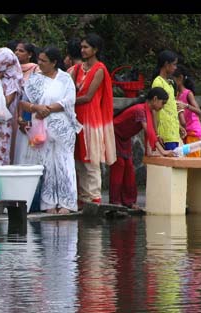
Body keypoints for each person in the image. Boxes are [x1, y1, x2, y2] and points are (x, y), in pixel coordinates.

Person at [19, 46, 82, 214]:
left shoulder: (65, 78)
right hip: (41, 126)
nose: (39, 64)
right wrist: (35, 107)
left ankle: (67, 203)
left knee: (64, 163)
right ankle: (48, 203)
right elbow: (23, 101)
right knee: (46, 163)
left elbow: (69, 100)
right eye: (39, 60)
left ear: (54, 63)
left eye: (43, 61)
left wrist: (47, 109)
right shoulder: (34, 79)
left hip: (62, 127)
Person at [71, 34, 116, 206]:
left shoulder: (99, 69)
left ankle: (95, 197)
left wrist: (67, 101)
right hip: (77, 118)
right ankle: (83, 198)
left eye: (86, 47)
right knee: (79, 160)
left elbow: (88, 96)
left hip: (91, 119)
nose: (82, 50)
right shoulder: (77, 69)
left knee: (91, 159)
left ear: (95, 50)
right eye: (81, 47)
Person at [111, 87, 173, 208]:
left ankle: (129, 202)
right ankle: (115, 202)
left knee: (129, 167)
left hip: (124, 138)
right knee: (119, 165)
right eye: (162, 103)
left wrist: (149, 152)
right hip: (114, 134)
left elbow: (148, 134)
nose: (162, 106)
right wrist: (163, 151)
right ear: (155, 99)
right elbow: (149, 131)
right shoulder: (140, 109)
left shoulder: (148, 111)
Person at [12, 41, 41, 165]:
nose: (17, 53)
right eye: (16, 50)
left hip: (27, 111)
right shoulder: (11, 69)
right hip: (12, 109)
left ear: (29, 55)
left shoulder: (36, 69)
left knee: (25, 146)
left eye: (21, 51)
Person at [151, 50, 183, 153]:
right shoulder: (158, 82)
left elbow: (170, 107)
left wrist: (178, 126)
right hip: (165, 133)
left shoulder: (169, 83)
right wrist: (157, 134)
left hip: (173, 132)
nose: (175, 67)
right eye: (174, 64)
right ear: (166, 64)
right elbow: (154, 110)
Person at [173, 64, 201, 157]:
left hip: (193, 132)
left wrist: (186, 105)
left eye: (173, 78)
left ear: (180, 78)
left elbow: (199, 111)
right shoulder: (176, 95)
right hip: (185, 132)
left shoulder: (188, 93)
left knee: (193, 162)